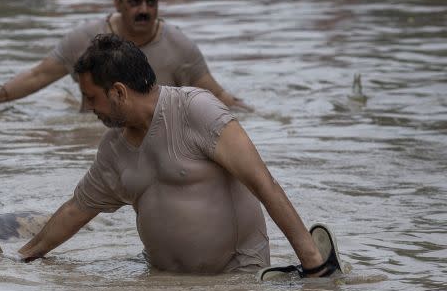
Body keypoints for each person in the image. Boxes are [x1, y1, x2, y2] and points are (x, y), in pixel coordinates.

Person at [18, 34, 336, 276]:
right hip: (162, 281)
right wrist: (21, 259)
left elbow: (264, 184)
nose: (88, 109)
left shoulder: (197, 109)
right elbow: (77, 208)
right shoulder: (113, 149)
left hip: (236, 280)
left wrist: (313, 264)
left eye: (91, 98)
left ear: (118, 92)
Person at [0, 0, 253, 115]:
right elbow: (38, 75)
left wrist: (270, 121)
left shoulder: (180, 47)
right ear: (118, 3)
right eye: (135, 2)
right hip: (93, 130)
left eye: (151, 2)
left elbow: (219, 96)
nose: (144, 10)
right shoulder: (86, 39)